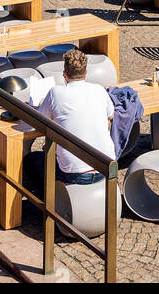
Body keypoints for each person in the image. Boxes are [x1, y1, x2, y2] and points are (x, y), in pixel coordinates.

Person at [23, 48, 114, 196]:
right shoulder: (99, 90)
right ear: (86, 72)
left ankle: (48, 199)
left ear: (64, 74)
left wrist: (42, 104)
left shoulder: (55, 93)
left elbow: (39, 121)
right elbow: (111, 115)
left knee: (31, 160)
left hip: (75, 172)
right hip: (106, 166)